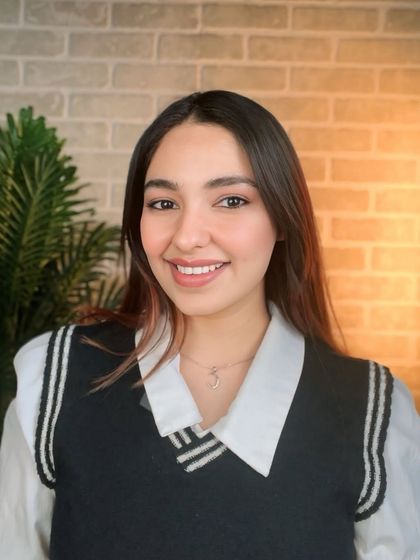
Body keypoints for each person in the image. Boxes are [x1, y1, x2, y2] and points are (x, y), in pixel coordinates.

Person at [0, 90, 419, 559]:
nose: (187, 237)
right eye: (163, 203)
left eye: (231, 200)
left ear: (283, 218)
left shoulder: (372, 413)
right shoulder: (54, 379)